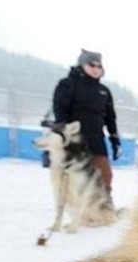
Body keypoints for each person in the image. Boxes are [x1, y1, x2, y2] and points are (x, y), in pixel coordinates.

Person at [52, 49, 121, 196]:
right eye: (92, 65)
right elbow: (60, 110)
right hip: (75, 140)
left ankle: (103, 209)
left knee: (105, 175)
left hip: (97, 140)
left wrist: (114, 139)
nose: (96, 69)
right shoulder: (68, 84)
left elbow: (110, 118)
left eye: (99, 66)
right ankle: (81, 213)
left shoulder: (104, 91)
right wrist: (63, 134)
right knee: (79, 179)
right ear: (82, 65)